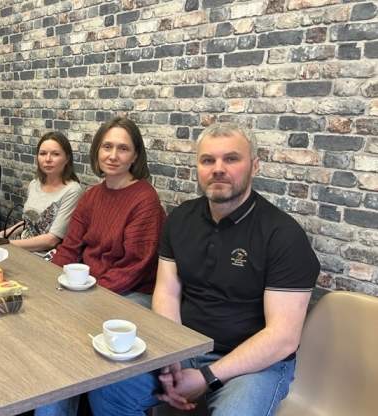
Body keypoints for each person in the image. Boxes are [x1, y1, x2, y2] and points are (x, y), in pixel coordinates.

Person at [87, 123, 321, 415]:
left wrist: (207, 377)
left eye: (231, 159)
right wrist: (171, 356)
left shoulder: (283, 234)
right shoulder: (180, 219)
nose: (218, 169)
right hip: (187, 344)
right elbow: (167, 292)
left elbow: (283, 337)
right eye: (208, 160)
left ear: (254, 166)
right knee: (108, 390)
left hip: (255, 363)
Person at [50, 117, 166, 307]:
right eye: (107, 147)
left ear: (135, 155)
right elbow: (70, 247)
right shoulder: (91, 196)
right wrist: (49, 280)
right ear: (97, 150)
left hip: (132, 290)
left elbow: (134, 267)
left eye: (123, 148)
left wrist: (88, 297)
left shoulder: (145, 200)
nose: (113, 156)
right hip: (91, 282)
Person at [0, 131, 83, 253]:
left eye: (55, 154)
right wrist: (2, 234)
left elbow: (51, 240)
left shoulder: (72, 191)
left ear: (67, 159)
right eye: (43, 154)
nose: (48, 159)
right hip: (22, 247)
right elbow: (30, 222)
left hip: (45, 256)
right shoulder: (34, 184)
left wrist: (7, 243)